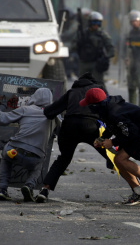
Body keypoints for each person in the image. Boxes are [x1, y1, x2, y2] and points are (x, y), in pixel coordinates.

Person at [36, 72, 114, 203]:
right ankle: (137, 184)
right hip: (91, 127)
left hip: (69, 127)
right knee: (112, 156)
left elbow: (49, 112)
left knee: (64, 159)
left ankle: (45, 189)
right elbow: (108, 109)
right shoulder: (98, 89)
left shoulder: (72, 92)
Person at [79, 87, 140, 205]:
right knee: (117, 161)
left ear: (95, 105)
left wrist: (112, 142)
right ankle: (138, 191)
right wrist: (101, 139)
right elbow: (112, 126)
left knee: (120, 159)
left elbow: (131, 133)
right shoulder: (106, 107)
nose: (88, 108)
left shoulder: (115, 112)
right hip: (136, 132)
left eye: (89, 105)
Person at [0, 88, 54, 202]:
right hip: (34, 157)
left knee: (6, 157)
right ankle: (29, 185)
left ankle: (2, 189)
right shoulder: (54, 116)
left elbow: (0, 119)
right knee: (40, 163)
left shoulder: (25, 110)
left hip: (14, 151)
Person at [71, 11, 114, 88]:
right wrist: (79, 44)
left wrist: (105, 57)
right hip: (84, 62)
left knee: (99, 84)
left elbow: (111, 49)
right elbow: (73, 46)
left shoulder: (102, 35)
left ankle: (105, 99)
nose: (96, 25)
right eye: (94, 22)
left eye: (98, 23)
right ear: (90, 22)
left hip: (96, 63)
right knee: (82, 84)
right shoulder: (82, 34)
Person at [125, 10, 140, 108]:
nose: (135, 23)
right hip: (132, 61)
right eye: (133, 21)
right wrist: (127, 59)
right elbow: (127, 48)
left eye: (136, 21)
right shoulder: (130, 33)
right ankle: (132, 108)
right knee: (131, 86)